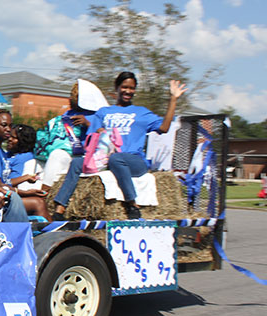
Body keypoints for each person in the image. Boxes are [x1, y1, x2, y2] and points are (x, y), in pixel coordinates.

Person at [53, 72, 187, 220]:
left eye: (131, 88)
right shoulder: (104, 112)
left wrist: (173, 99)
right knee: (77, 162)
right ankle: (59, 209)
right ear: (117, 88)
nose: (128, 91)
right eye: (124, 87)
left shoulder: (141, 112)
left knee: (116, 158)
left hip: (134, 161)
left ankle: (132, 204)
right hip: (106, 158)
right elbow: (95, 133)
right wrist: (101, 132)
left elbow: (164, 127)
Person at [0, 109, 48, 221]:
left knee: (38, 201)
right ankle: (53, 231)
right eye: (4, 125)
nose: (8, 129)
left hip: (2, 194)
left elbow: (5, 181)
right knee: (37, 203)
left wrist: (26, 181)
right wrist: (25, 193)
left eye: (10, 126)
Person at [36, 79, 107, 188]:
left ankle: (44, 192)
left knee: (57, 155)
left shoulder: (98, 115)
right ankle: (43, 191)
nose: (70, 100)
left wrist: (87, 124)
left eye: (75, 97)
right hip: (67, 151)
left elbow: (105, 138)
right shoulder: (69, 113)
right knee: (50, 157)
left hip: (86, 155)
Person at [7, 123, 51, 220]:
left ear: (23, 141)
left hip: (12, 195)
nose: (9, 139)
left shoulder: (25, 158)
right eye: (9, 136)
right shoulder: (9, 154)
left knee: (38, 203)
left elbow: (13, 183)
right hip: (5, 191)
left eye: (14, 138)